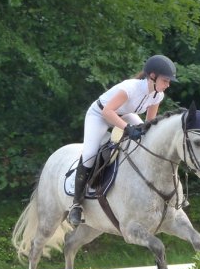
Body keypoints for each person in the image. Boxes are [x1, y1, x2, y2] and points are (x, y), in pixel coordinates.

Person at [67, 54, 178, 226]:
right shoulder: (130, 88)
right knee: (89, 154)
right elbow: (107, 112)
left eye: (169, 81)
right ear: (152, 76)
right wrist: (127, 128)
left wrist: (145, 132)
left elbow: (149, 123)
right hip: (100, 115)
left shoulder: (157, 95)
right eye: (165, 80)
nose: (168, 84)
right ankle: (76, 204)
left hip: (124, 114)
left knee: (146, 139)